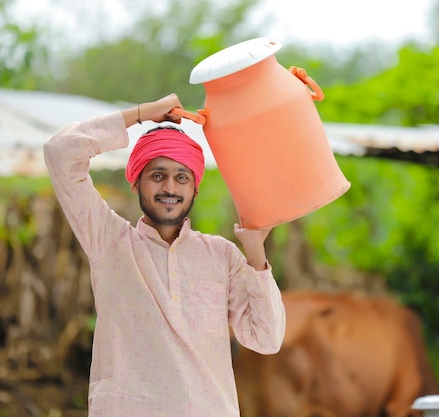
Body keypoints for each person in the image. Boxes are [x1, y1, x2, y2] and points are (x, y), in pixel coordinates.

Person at [43, 93, 286, 417]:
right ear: (136, 183)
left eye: (181, 177)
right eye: (157, 175)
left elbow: (266, 339)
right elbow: (60, 152)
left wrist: (256, 252)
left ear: (195, 188)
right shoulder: (108, 241)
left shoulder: (222, 255)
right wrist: (142, 113)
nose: (169, 187)